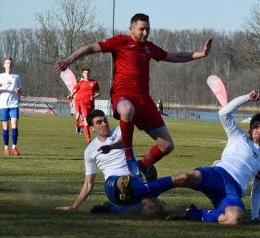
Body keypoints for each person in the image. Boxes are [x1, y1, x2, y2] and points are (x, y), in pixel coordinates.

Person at [54, 13, 212, 179]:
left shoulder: (149, 48)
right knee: (127, 109)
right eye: (142, 29)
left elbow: (175, 56)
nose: (145, 33)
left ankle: (141, 166)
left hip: (144, 100)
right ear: (131, 29)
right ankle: (128, 153)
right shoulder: (120, 41)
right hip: (122, 96)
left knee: (166, 145)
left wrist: (201, 54)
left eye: (148, 29)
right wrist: (67, 60)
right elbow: (91, 48)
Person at [119, 90, 260, 225]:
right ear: (249, 129)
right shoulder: (238, 136)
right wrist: (247, 97)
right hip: (217, 174)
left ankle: (189, 213)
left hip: (233, 189)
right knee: (184, 177)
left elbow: (258, 189)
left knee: (235, 218)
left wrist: (256, 216)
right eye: (256, 127)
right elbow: (223, 113)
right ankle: (135, 193)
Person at [56, 109, 163, 216]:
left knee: (156, 208)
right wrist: (75, 206)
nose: (104, 124)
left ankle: (111, 209)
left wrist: (111, 147)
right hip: (113, 183)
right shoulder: (90, 150)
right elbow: (88, 183)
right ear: (92, 128)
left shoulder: (119, 131)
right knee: (125, 180)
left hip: (135, 181)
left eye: (105, 120)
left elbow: (126, 142)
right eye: (99, 122)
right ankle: (150, 188)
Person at [0, 57, 22, 156]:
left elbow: (20, 90)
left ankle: (14, 147)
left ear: (12, 65)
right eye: (7, 63)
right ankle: (6, 147)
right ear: (4, 65)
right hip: (3, 105)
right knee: (5, 127)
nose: (9, 65)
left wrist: (18, 90)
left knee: (14, 126)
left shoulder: (16, 77)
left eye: (10, 63)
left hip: (14, 104)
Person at [68, 68, 100, 143]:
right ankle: (88, 139)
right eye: (85, 73)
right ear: (82, 74)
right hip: (83, 105)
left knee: (90, 121)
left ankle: (79, 125)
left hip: (91, 105)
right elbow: (74, 91)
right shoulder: (80, 83)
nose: (86, 74)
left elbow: (99, 92)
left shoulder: (94, 82)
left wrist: (94, 97)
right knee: (86, 121)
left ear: (90, 73)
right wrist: (70, 97)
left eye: (88, 73)